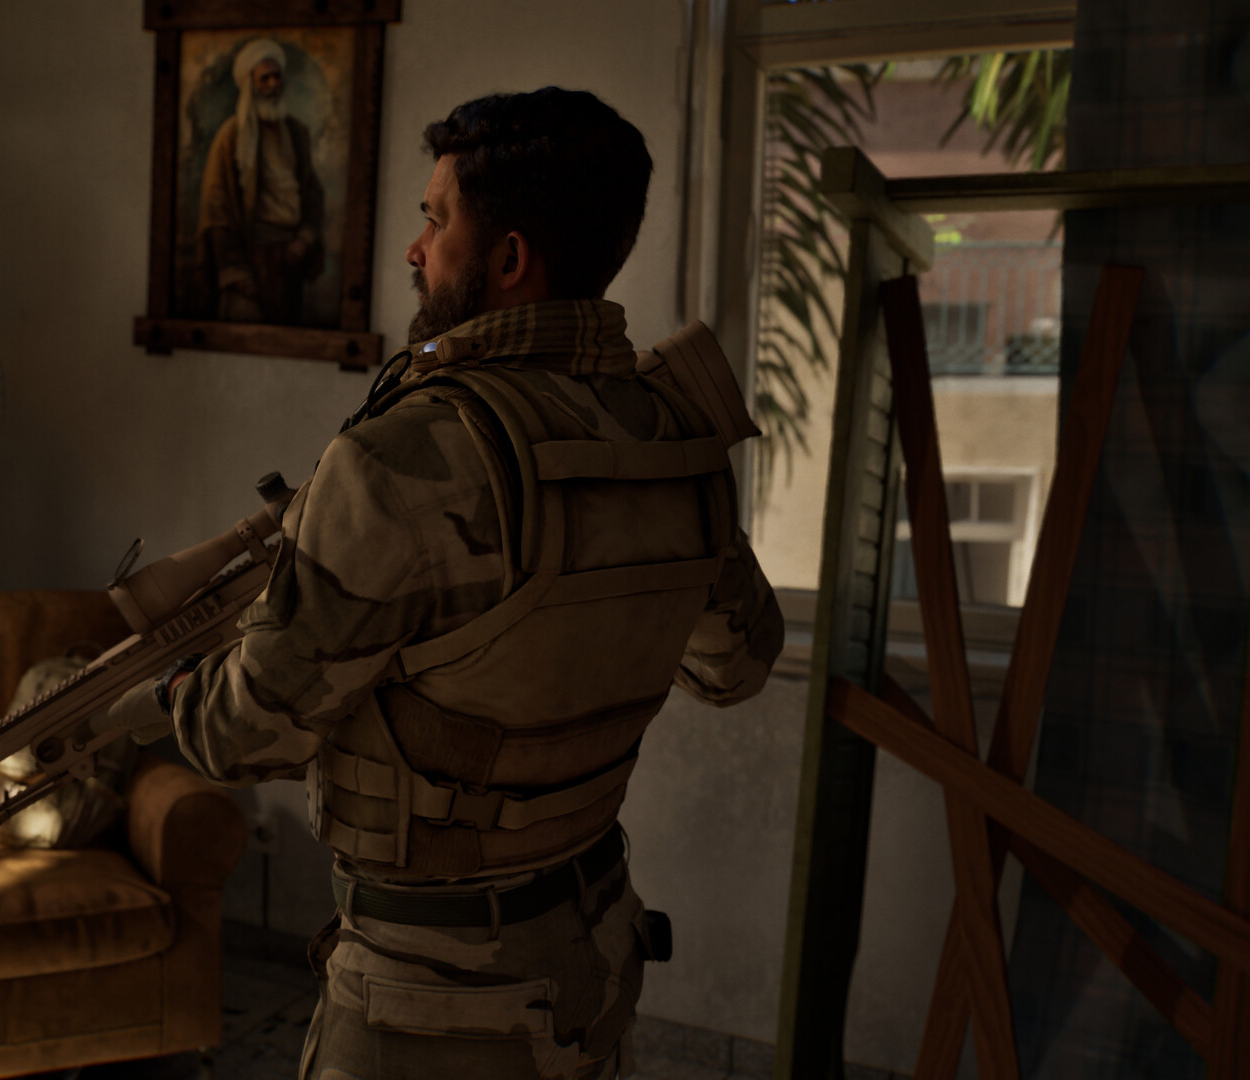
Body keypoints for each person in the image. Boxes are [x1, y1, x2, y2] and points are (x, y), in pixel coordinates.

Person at [104, 87, 782, 1079]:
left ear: (507, 260)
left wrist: (173, 689)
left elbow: (246, 735)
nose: (414, 250)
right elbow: (733, 667)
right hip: (591, 955)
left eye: (434, 220)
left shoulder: (397, 460)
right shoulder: (677, 436)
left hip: (426, 999)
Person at [196, 37, 325, 324]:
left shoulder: (295, 133)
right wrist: (236, 272)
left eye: (277, 76)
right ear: (250, 84)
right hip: (249, 260)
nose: (273, 84)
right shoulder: (232, 136)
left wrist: (304, 238)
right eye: (264, 78)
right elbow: (216, 209)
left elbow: (313, 194)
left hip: (288, 261)